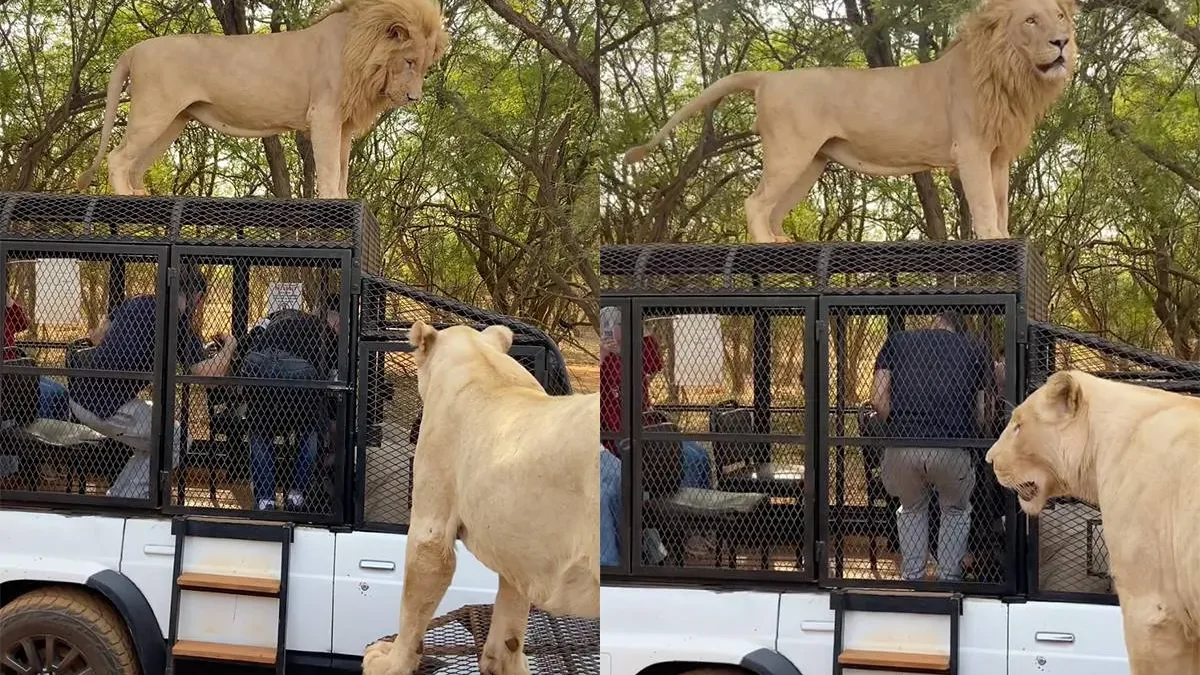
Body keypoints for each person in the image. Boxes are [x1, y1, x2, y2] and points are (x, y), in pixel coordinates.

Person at [69, 267, 237, 499]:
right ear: (197, 297)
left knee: (158, 438)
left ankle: (119, 495)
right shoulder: (174, 323)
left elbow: (98, 334)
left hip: (80, 394)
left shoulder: (138, 302)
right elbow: (209, 376)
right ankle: (126, 500)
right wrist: (229, 345)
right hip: (105, 406)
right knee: (176, 439)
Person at [869, 310, 994, 582]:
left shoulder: (897, 340)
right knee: (955, 510)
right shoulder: (975, 348)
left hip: (903, 445)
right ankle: (949, 580)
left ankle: (913, 579)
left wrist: (900, 424)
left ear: (935, 320)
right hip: (952, 445)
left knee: (911, 509)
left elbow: (878, 399)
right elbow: (984, 411)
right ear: (959, 329)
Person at [238, 294, 340, 511]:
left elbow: (248, 341)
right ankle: (297, 494)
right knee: (309, 429)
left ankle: (266, 499)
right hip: (300, 389)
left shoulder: (276, 316)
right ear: (337, 322)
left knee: (260, 430)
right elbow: (331, 380)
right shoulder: (328, 334)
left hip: (264, 382)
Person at [4, 293, 70, 421]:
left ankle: (59, 431)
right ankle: (39, 434)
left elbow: (23, 323)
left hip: (19, 370)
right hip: (7, 375)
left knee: (61, 391)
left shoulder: (6, 313)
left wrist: (8, 300)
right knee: (46, 395)